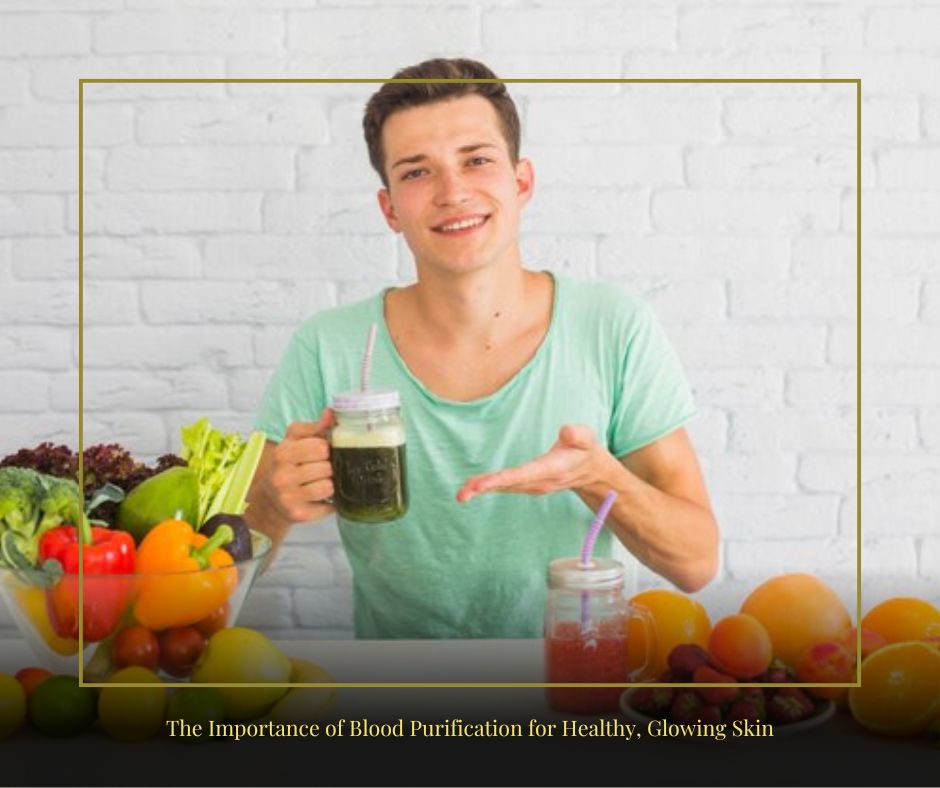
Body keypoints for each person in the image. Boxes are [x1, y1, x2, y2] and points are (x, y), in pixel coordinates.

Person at [246, 57, 719, 639]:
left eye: (477, 160)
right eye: (417, 172)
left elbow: (697, 563)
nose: (453, 192)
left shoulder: (612, 326)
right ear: (390, 208)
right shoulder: (329, 346)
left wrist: (598, 477)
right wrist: (271, 502)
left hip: (576, 697)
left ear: (521, 182)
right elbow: (224, 577)